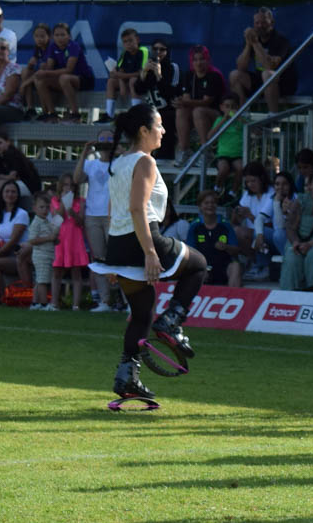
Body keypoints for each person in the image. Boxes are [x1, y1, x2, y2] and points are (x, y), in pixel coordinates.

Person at [87, 104, 210, 404]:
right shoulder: (145, 162)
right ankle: (172, 321)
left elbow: (113, 211)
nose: (164, 131)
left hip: (119, 244)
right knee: (199, 265)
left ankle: (126, 377)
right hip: (141, 238)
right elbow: (136, 208)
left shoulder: (118, 162)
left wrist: (114, 260)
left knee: (142, 314)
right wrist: (150, 253)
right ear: (144, 131)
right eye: (159, 126)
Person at [75, 136, 117, 312]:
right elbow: (77, 178)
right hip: (92, 216)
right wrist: (85, 152)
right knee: (99, 259)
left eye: (109, 140)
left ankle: (126, 300)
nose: (105, 144)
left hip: (113, 215)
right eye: (102, 140)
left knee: (118, 258)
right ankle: (105, 301)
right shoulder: (91, 164)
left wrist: (120, 152)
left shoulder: (119, 162)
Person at [230, 6, 297, 114]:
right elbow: (241, 67)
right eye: (257, 23)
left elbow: (269, 67)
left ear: (272, 23)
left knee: (267, 74)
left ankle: (273, 117)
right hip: (260, 82)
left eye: (264, 22)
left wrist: (255, 43)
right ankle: (241, 114)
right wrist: (248, 44)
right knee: (234, 75)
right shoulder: (253, 39)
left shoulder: (281, 41)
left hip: (282, 83)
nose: (260, 26)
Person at [173, 46, 226, 161]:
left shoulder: (214, 75)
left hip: (217, 115)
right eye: (195, 60)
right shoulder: (188, 75)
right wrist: (180, 102)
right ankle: (184, 150)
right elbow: (186, 99)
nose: (198, 63)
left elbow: (207, 102)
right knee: (181, 110)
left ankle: (205, 151)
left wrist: (184, 101)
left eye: (202, 59)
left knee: (198, 111)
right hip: (195, 114)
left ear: (208, 60)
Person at [33, 22, 93, 122]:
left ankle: (75, 114)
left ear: (69, 36)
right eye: (57, 35)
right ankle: (51, 113)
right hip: (64, 80)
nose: (59, 38)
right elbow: (49, 68)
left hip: (84, 79)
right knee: (40, 80)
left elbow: (69, 70)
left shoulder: (73, 46)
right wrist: (43, 68)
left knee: (64, 78)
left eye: (62, 35)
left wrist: (46, 73)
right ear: (53, 37)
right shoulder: (52, 47)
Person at [52, 173, 90, 310]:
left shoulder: (80, 201)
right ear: (61, 186)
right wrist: (64, 202)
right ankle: (54, 303)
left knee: (76, 272)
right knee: (57, 271)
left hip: (75, 239)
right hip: (61, 239)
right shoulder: (55, 200)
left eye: (71, 185)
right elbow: (57, 218)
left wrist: (73, 213)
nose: (68, 188)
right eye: (66, 185)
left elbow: (81, 222)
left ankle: (76, 304)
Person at [189, 190, 243, 287]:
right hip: (203, 267)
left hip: (223, 266)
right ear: (200, 206)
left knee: (236, 266)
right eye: (206, 203)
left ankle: (233, 295)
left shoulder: (225, 225)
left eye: (213, 202)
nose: (210, 205)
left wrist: (226, 247)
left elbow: (236, 250)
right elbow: (190, 252)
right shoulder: (194, 226)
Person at [20, 189, 62, 310]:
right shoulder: (36, 223)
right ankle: (44, 304)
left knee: (40, 280)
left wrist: (55, 240)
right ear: (34, 208)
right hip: (41, 256)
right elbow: (32, 240)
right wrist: (49, 238)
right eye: (41, 207)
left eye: (47, 207)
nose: (45, 210)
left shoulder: (47, 221)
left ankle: (35, 303)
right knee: (43, 281)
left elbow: (49, 237)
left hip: (48, 254)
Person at [104, 28, 151, 118]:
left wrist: (121, 76)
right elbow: (119, 70)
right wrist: (117, 77)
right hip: (127, 82)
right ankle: (109, 115)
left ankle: (136, 115)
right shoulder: (125, 53)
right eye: (125, 42)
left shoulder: (143, 51)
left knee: (133, 80)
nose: (128, 44)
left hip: (144, 82)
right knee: (111, 81)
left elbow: (141, 73)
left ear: (137, 40)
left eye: (130, 40)